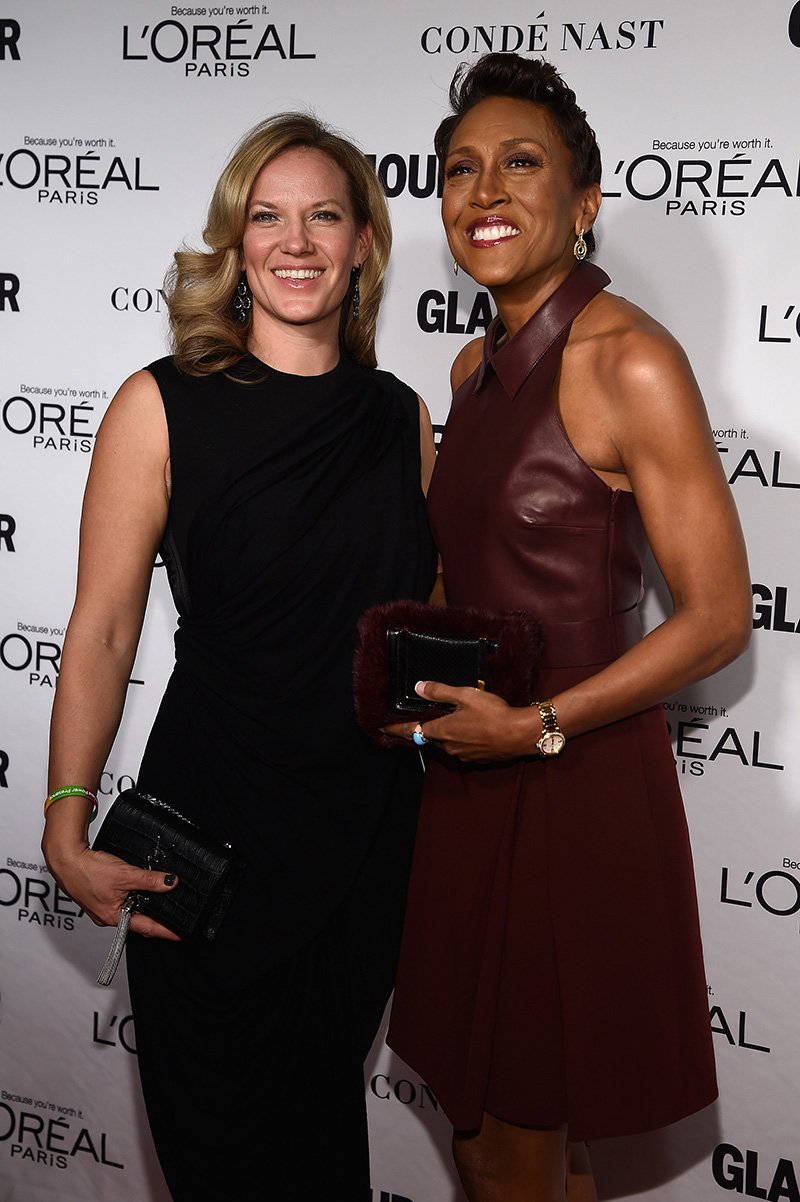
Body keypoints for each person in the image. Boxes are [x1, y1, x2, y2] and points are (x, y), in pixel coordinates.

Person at [42, 112, 437, 1201]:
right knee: (221, 1156)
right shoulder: (158, 405)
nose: (295, 241)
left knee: (319, 1154)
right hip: (207, 852)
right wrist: (65, 813)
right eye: (267, 217)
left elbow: (419, 622)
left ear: (364, 241)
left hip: (361, 848)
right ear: (235, 242)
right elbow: (104, 630)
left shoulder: (400, 417)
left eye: (323, 215)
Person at [386, 53, 751, 1202]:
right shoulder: (467, 365)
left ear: (584, 204)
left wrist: (536, 725)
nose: (483, 190)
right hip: (470, 777)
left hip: (574, 776)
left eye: (520, 163)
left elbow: (718, 615)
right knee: (500, 1134)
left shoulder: (627, 358)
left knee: (513, 1143)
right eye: (460, 168)